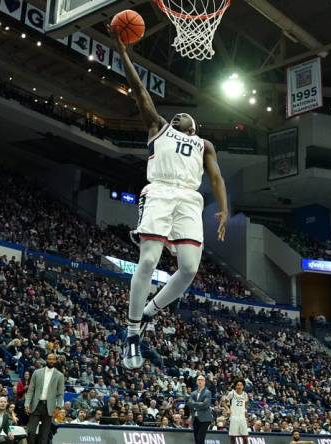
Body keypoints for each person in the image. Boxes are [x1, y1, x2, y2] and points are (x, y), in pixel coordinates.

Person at [108, 23, 229, 370]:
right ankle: (132, 333)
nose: (177, 115)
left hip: (190, 199)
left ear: (195, 127)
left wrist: (223, 210)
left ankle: (148, 312)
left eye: (183, 116)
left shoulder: (204, 145)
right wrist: (123, 53)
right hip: (160, 190)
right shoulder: (159, 127)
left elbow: (217, 177)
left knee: (189, 268)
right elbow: (140, 92)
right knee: (148, 260)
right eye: (174, 114)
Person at [25, 353, 64, 444]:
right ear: (46, 360)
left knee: (44, 436)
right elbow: (30, 390)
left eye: (53, 359)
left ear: (55, 361)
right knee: (30, 432)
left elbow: (60, 394)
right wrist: (27, 403)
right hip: (36, 405)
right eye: (49, 359)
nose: (51, 361)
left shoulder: (60, 375)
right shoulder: (37, 372)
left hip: (49, 407)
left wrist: (58, 407)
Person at [223, 379, 249, 444]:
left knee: (245, 437)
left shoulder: (245, 394)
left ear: (243, 386)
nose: (239, 386)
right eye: (238, 385)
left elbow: (246, 403)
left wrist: (245, 410)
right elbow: (223, 403)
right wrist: (228, 409)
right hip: (234, 417)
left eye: (241, 385)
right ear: (235, 386)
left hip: (242, 417)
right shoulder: (232, 393)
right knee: (233, 437)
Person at [189, 375, 213, 444]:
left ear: (204, 382)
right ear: (196, 382)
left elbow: (205, 404)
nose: (200, 381)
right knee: (196, 439)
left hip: (205, 418)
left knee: (200, 438)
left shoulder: (208, 392)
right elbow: (189, 403)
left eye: (201, 380)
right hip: (195, 418)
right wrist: (199, 403)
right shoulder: (193, 393)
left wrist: (194, 404)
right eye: (198, 379)